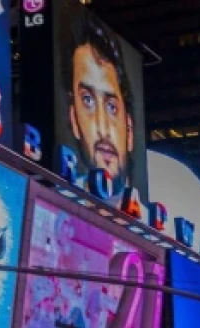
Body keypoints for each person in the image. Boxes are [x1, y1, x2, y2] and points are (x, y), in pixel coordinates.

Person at [65, 10, 137, 201]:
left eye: (112, 107)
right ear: (74, 119)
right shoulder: (58, 214)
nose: (103, 129)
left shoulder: (157, 226)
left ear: (129, 129)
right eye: (87, 100)